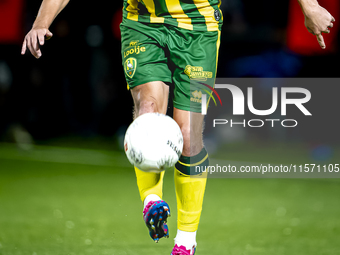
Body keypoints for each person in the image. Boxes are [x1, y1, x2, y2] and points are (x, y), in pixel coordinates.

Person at [21, 0, 335, 254]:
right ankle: (151, 202)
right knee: (148, 110)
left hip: (200, 30)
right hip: (143, 24)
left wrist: (308, 6)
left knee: (188, 136)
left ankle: (186, 239)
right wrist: (40, 22)